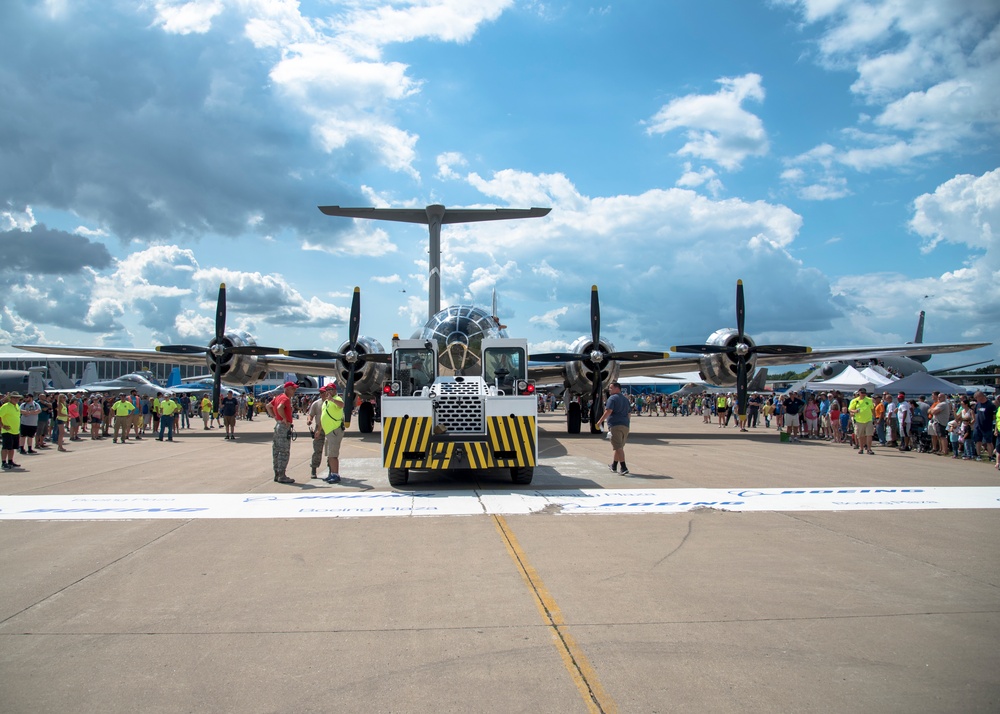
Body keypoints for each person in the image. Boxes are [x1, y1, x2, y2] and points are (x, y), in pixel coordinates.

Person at [595, 381, 631, 475]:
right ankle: (614, 465)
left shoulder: (612, 398)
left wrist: (599, 422)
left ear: (617, 388)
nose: (609, 390)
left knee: (618, 447)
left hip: (615, 425)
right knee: (618, 446)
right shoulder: (625, 399)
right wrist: (627, 423)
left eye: (611, 388)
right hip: (625, 426)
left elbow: (608, 411)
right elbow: (629, 414)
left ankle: (623, 467)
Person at [268, 381, 298, 484]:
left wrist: (275, 417)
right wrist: (284, 418)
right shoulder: (285, 398)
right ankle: (282, 475)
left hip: (278, 425)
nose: (294, 391)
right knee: (284, 451)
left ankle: (277, 474)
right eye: (293, 389)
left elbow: (268, 406)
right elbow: (280, 407)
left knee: (276, 450)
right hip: (284, 426)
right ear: (287, 389)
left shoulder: (278, 397)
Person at [319, 385, 347, 483]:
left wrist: (332, 400)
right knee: (330, 454)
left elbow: (342, 405)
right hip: (328, 432)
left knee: (333, 454)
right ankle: (332, 473)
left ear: (334, 390)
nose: (328, 392)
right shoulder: (326, 401)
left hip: (334, 431)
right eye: (327, 390)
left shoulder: (336, 398)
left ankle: (335, 474)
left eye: (330, 390)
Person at [306, 389, 329, 478]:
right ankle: (313, 469)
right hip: (318, 428)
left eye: (324, 392)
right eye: (321, 393)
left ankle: (331, 469)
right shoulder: (316, 403)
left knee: (329, 450)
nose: (322, 394)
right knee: (317, 449)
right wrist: (309, 420)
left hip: (329, 428)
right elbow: (311, 414)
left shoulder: (331, 403)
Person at [848, 387, 876, 455]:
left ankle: (869, 449)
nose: (863, 394)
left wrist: (875, 417)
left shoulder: (869, 400)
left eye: (864, 393)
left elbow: (872, 409)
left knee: (869, 434)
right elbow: (850, 409)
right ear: (859, 393)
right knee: (860, 436)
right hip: (859, 420)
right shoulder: (855, 401)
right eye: (862, 393)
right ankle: (861, 448)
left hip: (868, 419)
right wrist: (855, 411)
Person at [971, 390, 997, 461]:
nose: (976, 399)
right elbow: (974, 412)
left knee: (989, 442)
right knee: (978, 441)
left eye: (977, 397)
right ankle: (978, 455)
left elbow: (994, 416)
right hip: (978, 426)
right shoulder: (977, 404)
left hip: (987, 426)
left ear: (981, 396)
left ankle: (991, 456)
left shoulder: (990, 405)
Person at [1, 392, 24, 470]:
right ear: (10, 398)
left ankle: (10, 461)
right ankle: (4, 462)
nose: (16, 399)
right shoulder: (5, 406)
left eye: (17, 398)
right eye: (14, 398)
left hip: (15, 430)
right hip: (7, 430)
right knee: (6, 447)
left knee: (12, 447)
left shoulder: (17, 406)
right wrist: (2, 425)